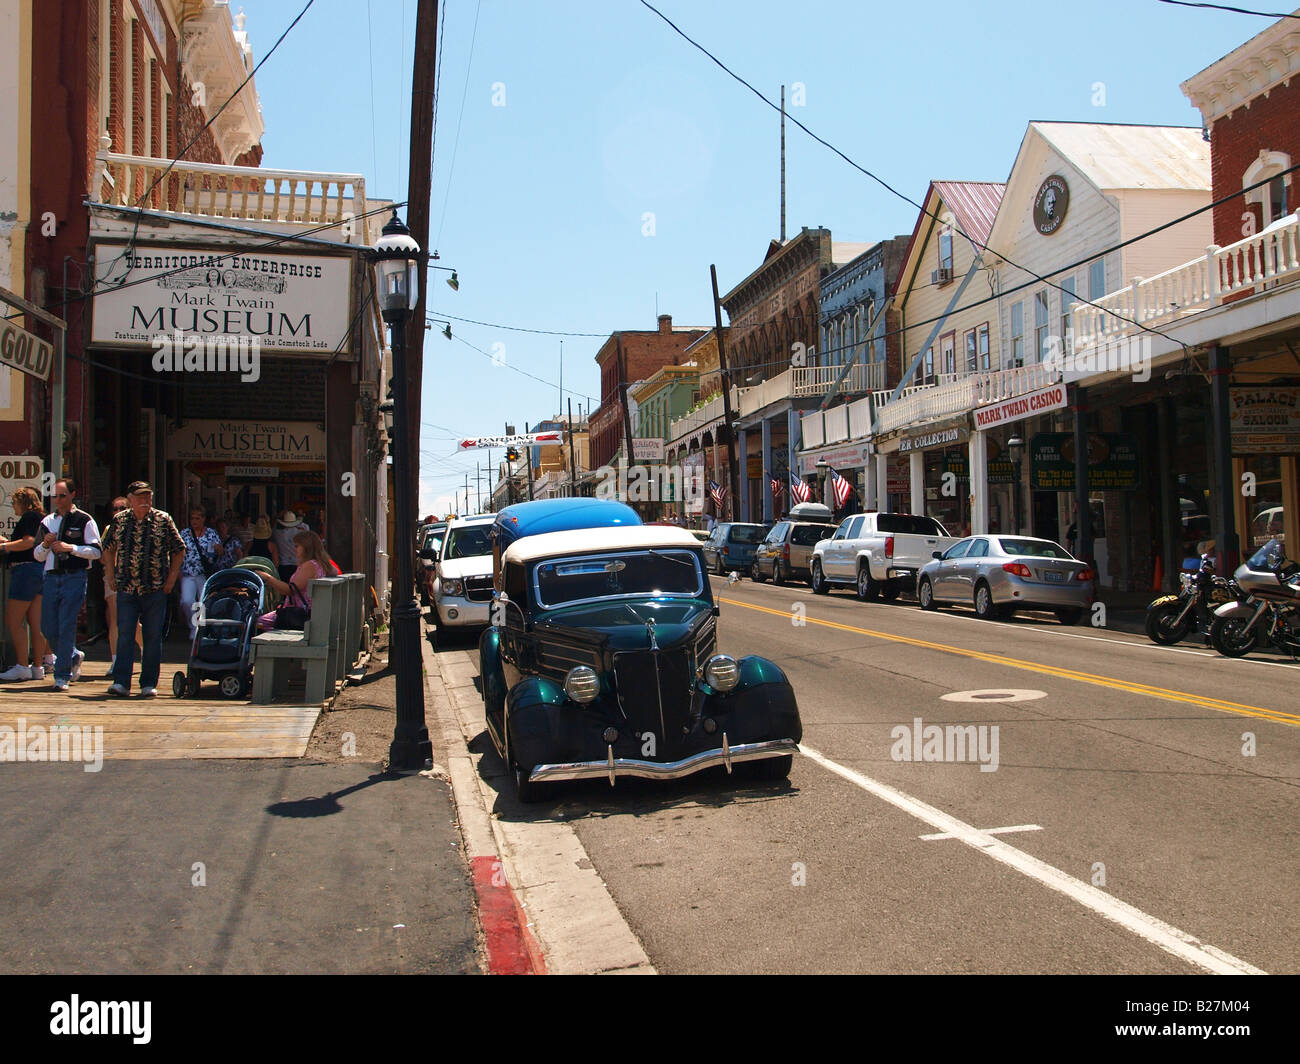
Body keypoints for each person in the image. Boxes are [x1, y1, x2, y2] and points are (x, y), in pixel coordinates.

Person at [100, 481, 185, 698]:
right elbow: (108, 548)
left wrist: (171, 579)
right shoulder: (120, 520)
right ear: (130, 499)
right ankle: (121, 681)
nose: (145, 501)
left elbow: (179, 549)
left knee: (152, 636)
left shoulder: (162, 519)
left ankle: (148, 682)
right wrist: (110, 574)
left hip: (155, 587)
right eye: (140, 497)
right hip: (127, 586)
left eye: (148, 496)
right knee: (125, 633)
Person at [32, 478, 101, 691]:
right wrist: (45, 544)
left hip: (74, 576)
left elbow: (96, 551)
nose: (58, 500)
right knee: (47, 626)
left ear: (72, 495)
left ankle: (61, 676)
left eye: (62, 495)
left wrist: (70, 548)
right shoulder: (47, 522)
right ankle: (72, 654)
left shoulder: (84, 520)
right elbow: (37, 556)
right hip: (51, 577)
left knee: (66, 625)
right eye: (54, 496)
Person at [0, 487, 52, 681]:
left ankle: (22, 665)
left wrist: (4, 546)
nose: (13, 506)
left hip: (25, 570)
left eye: (14, 502)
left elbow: (28, 541)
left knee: (13, 620)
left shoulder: (29, 516)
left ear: (22, 502)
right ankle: (38, 667)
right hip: (39, 570)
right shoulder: (40, 517)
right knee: (36, 622)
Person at [257, 530, 334, 630]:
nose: (295, 549)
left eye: (297, 546)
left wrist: (268, 578)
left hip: (300, 613)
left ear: (306, 548)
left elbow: (290, 590)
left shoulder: (309, 565)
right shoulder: (321, 563)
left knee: (258, 622)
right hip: (312, 611)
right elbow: (334, 572)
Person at [103, 496, 143, 673]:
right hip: (113, 577)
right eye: (114, 509)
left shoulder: (138, 527)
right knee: (115, 619)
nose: (117, 512)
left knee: (133, 622)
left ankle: (144, 650)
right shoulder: (109, 529)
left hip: (134, 578)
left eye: (122, 509)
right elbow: (104, 552)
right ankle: (116, 660)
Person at [178, 507, 224, 639]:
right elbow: (178, 553)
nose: (194, 521)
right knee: (186, 601)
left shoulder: (211, 533)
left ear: (203, 519)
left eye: (197, 518)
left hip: (204, 573)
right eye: (192, 518)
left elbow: (220, 553)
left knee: (203, 602)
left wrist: (218, 549)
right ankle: (194, 626)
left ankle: (201, 628)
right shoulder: (184, 534)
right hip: (188, 573)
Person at [272, 510, 307, 583]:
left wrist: (278, 517)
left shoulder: (277, 533)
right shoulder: (301, 533)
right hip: (297, 563)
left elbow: (273, 526)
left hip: (283, 564)